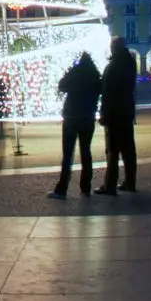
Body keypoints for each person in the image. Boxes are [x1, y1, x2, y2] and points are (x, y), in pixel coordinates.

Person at [49, 52, 101, 199]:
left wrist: (69, 72)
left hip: (72, 116)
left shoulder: (75, 71)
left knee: (67, 154)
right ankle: (86, 188)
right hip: (88, 117)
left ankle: (62, 189)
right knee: (86, 152)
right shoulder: (95, 74)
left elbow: (61, 86)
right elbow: (100, 91)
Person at [97, 38, 137, 196]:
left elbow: (108, 90)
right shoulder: (129, 63)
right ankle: (130, 181)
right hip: (126, 109)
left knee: (112, 150)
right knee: (128, 148)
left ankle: (110, 185)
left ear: (115, 48)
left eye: (112, 46)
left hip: (114, 111)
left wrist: (104, 112)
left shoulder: (115, 65)